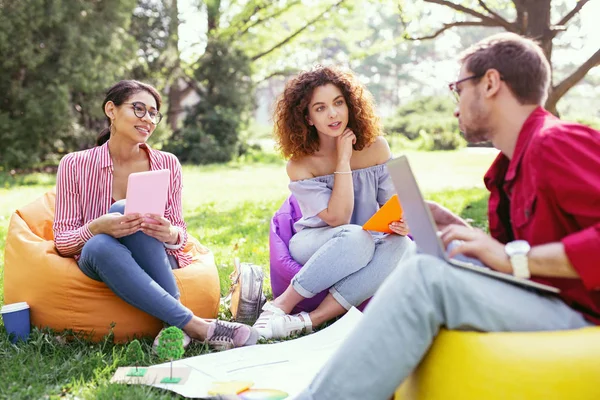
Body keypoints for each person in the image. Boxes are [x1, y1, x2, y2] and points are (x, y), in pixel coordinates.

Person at [293, 33, 600, 400]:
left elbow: (523, 258)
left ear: (490, 83)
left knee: (426, 277)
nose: (455, 106)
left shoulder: (555, 141)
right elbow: (530, 252)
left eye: (459, 88)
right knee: (430, 255)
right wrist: (464, 233)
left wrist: (509, 257)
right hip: (549, 296)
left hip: (580, 312)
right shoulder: (508, 168)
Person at [53, 80, 258, 350]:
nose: (148, 119)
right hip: (99, 259)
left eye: (153, 113)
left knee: (123, 211)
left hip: (157, 258)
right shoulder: (74, 164)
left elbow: (180, 234)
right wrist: (97, 228)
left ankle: (176, 324)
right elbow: (63, 242)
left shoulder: (167, 163)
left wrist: (170, 232)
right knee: (101, 242)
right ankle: (195, 325)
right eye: (139, 109)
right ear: (111, 110)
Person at [253, 66, 416, 340]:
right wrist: (343, 159)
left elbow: (395, 204)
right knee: (355, 236)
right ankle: (282, 304)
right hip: (315, 240)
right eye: (320, 108)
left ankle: (309, 320)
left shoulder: (377, 147)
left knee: (403, 245)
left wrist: (402, 221)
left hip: (367, 238)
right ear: (307, 118)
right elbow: (338, 218)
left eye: (339, 103)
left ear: (350, 104)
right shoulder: (300, 165)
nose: (333, 113)